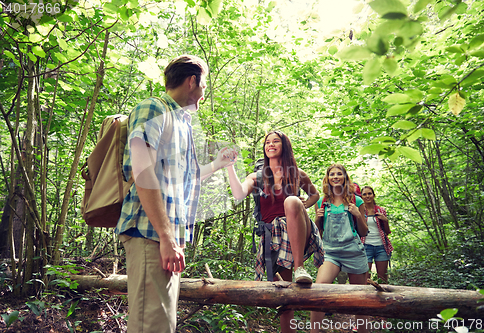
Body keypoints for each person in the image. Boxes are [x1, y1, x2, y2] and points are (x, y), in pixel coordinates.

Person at [115, 55, 237, 333]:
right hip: (150, 233)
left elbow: (187, 177)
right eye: (203, 85)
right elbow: (142, 172)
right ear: (192, 81)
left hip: (165, 238)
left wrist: (218, 164)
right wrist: (166, 236)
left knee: (162, 323)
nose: (204, 93)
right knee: (152, 325)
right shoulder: (153, 108)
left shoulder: (182, 123)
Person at [225, 130, 324, 333]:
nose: (270, 144)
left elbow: (315, 194)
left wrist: (301, 206)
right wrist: (229, 167)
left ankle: (300, 268)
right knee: (283, 294)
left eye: (275, 141)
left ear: (284, 145)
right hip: (273, 237)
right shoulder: (257, 177)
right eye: (267, 142)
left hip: (297, 233)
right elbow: (238, 193)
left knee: (291, 200)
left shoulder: (296, 174)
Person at [310, 164, 369, 333]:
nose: (335, 177)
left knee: (360, 297)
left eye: (339, 174)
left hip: (354, 251)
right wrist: (317, 220)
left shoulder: (357, 201)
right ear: (327, 179)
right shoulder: (322, 202)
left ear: (345, 177)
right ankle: (313, 331)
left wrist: (357, 214)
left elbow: (364, 231)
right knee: (319, 289)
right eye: (332, 174)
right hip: (330, 252)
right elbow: (318, 233)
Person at [360, 185, 393, 283]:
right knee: (365, 278)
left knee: (382, 279)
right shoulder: (360, 211)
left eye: (369, 193)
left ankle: (383, 297)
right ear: (361, 197)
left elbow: (387, 232)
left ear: (374, 195)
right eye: (364, 194)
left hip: (381, 247)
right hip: (365, 246)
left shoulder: (380, 210)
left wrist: (385, 220)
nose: (367, 196)